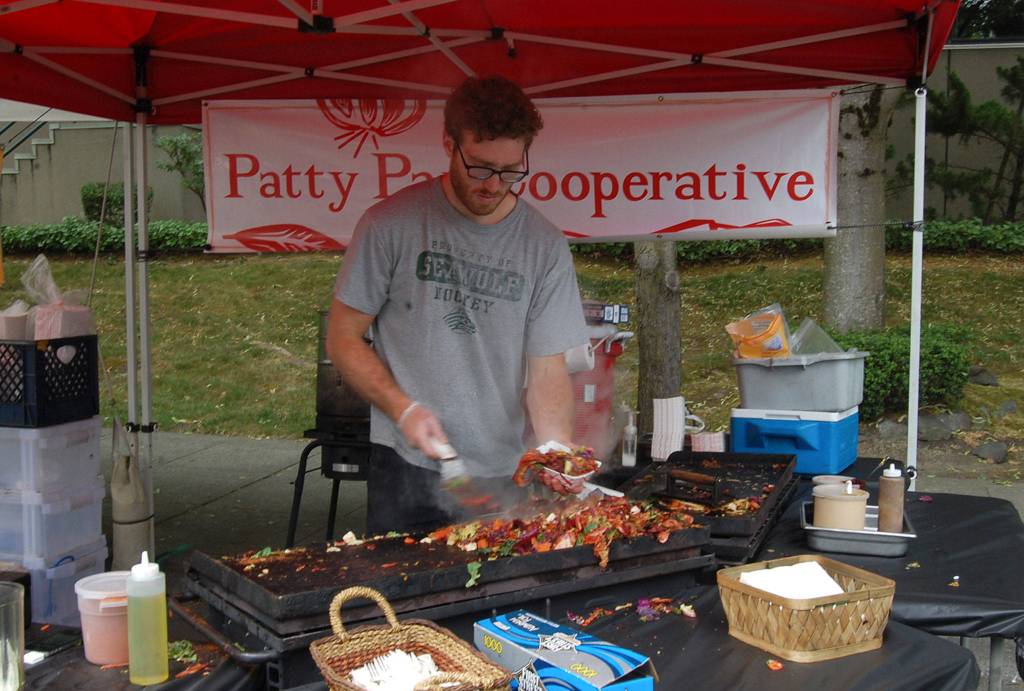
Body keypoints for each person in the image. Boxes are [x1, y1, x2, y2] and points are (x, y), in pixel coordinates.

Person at [327, 75, 588, 535]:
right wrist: (402, 408)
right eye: (481, 168)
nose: (494, 185)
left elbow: (548, 369)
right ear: (449, 143)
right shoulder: (390, 224)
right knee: (400, 599)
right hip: (405, 464)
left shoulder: (543, 245)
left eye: (510, 171)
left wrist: (553, 446)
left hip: (501, 469)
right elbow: (343, 337)